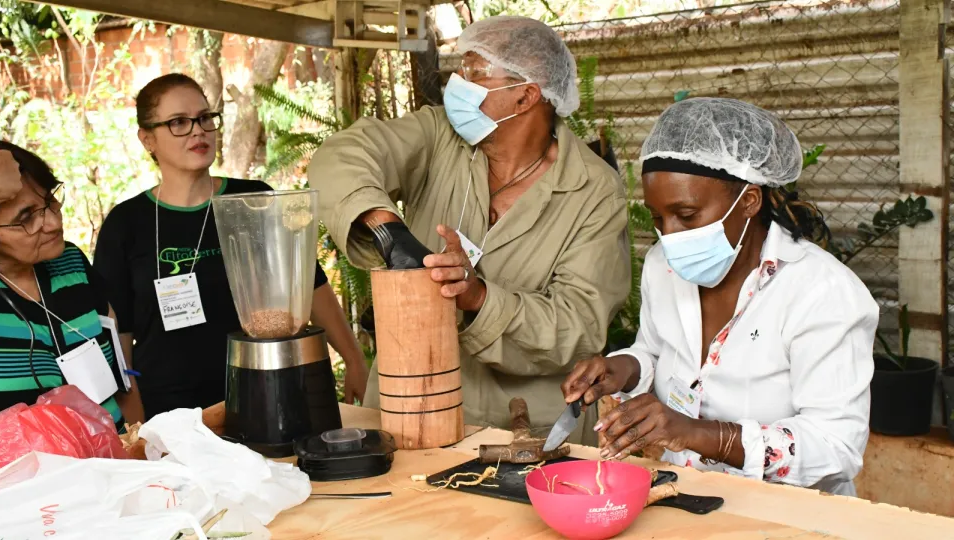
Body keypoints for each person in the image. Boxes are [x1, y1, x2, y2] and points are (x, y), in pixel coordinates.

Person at [308, 16, 631, 442]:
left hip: (524, 432)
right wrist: (390, 231)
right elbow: (340, 156)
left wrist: (478, 297)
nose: (457, 82)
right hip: (408, 410)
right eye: (460, 67)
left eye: (475, 72)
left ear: (525, 96)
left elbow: (577, 325)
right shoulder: (439, 135)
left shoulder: (594, 191)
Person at [561, 97, 878, 495]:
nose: (669, 235)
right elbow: (658, 351)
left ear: (748, 201)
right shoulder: (665, 266)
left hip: (788, 516)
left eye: (687, 215)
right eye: (658, 218)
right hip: (686, 495)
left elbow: (836, 446)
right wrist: (625, 367)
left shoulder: (822, 292)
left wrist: (697, 433)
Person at [93, 74, 369, 420]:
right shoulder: (126, 223)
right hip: (174, 416)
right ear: (147, 139)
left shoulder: (254, 201)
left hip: (269, 396)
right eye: (179, 122)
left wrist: (354, 360)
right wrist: (133, 419)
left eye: (205, 118)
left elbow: (308, 286)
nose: (198, 131)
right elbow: (119, 333)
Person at [0, 141, 144, 425]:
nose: (52, 222)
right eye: (26, 217)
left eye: (49, 201)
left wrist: (141, 447)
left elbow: (123, 378)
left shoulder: (71, 262)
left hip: (115, 458)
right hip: (37, 469)